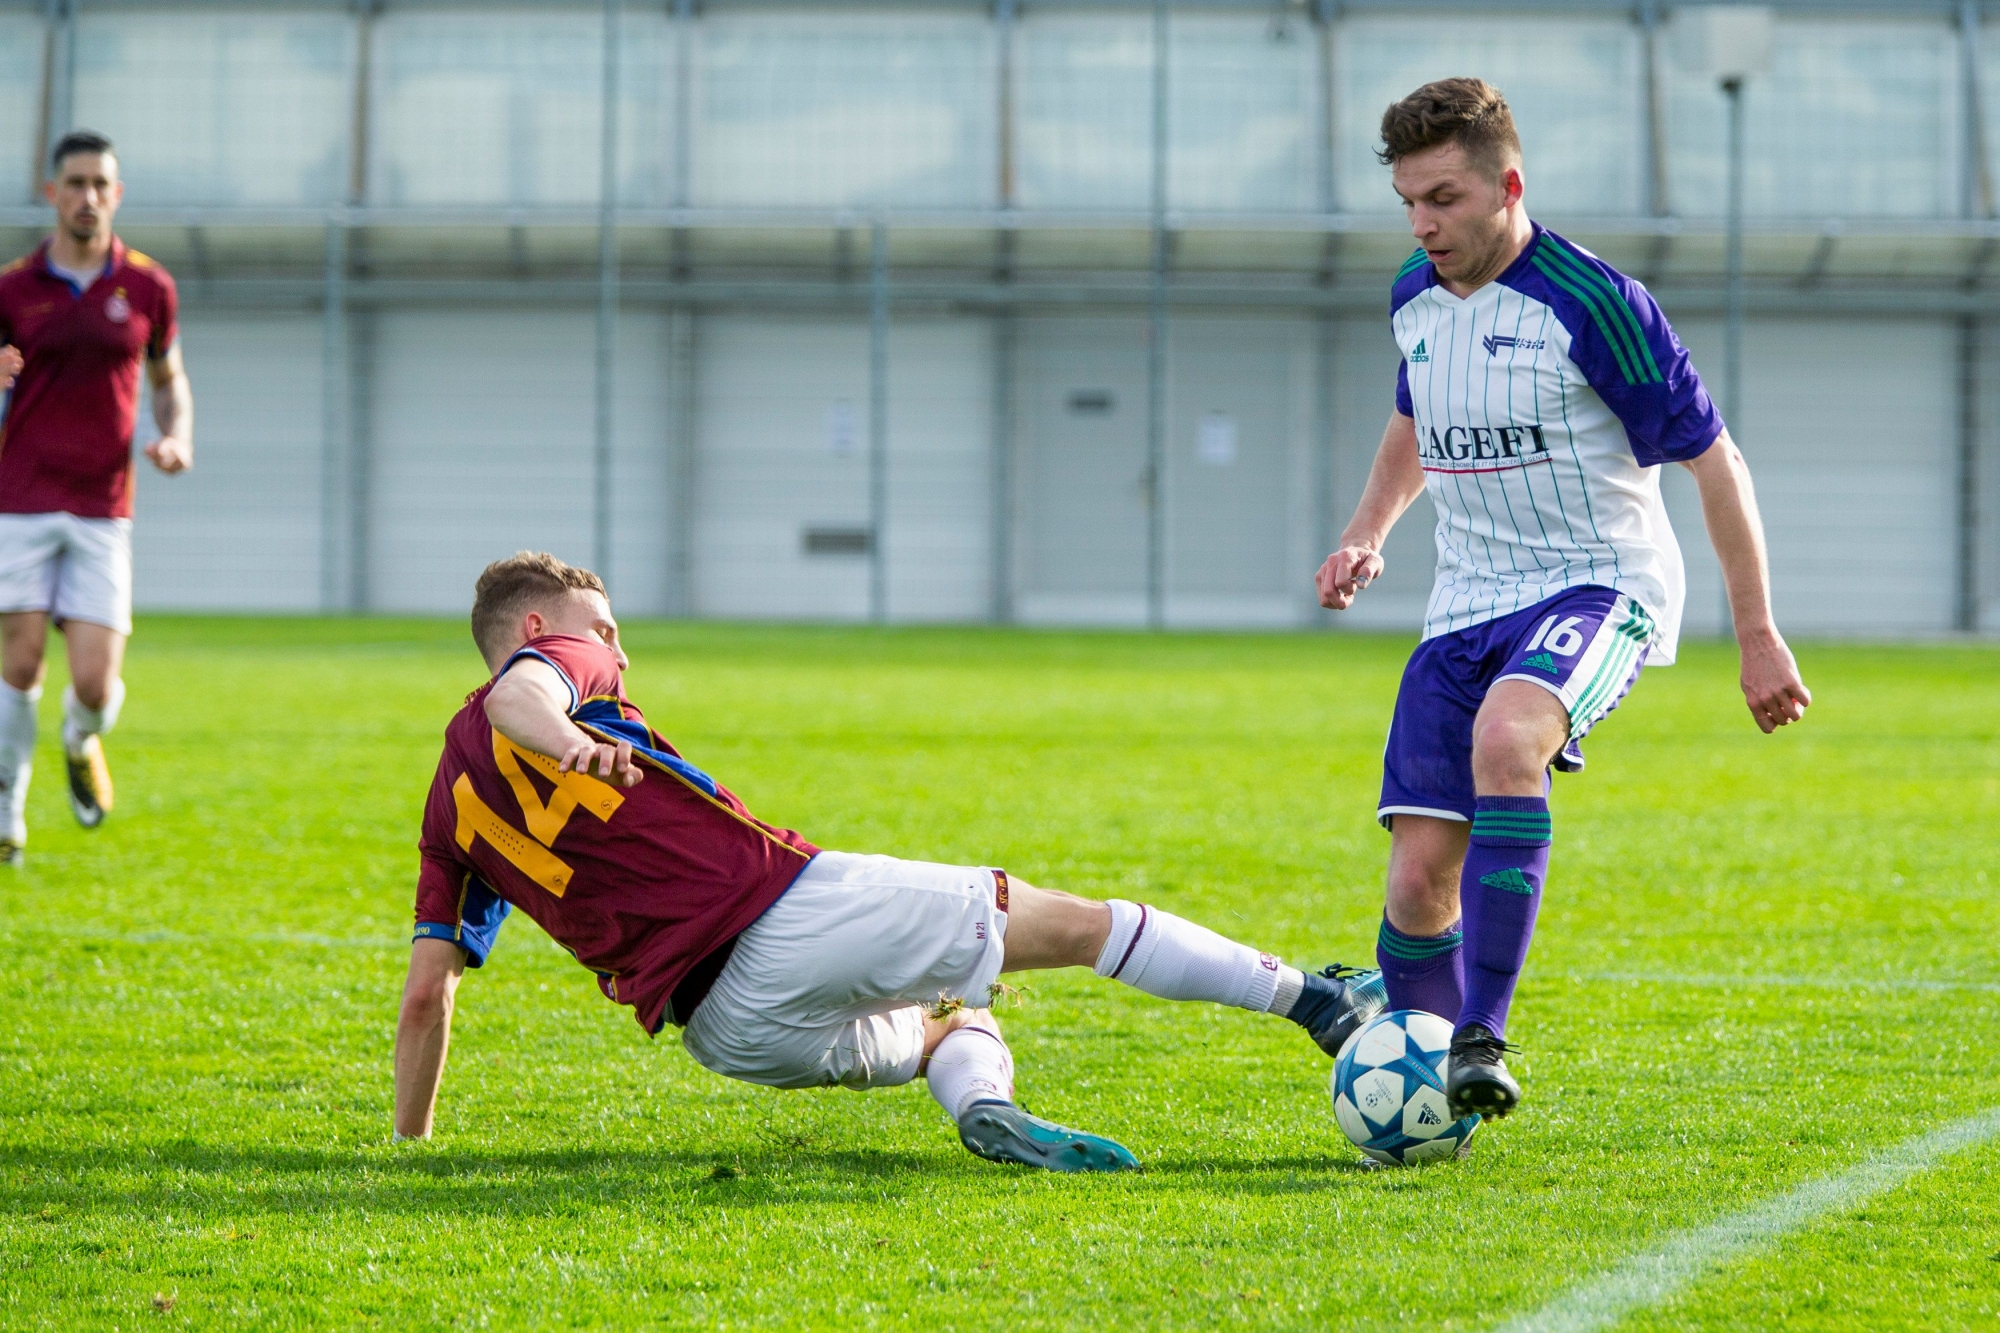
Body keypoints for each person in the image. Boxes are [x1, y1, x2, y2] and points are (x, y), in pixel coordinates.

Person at [392, 552, 1386, 1172]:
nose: (618, 647)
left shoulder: (449, 813)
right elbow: (520, 700)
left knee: (955, 1021)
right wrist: (565, 732)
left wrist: (411, 1147)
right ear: (537, 628)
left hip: (724, 1032)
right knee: (1079, 923)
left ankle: (988, 1111)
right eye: (605, 628)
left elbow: (427, 997)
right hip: (784, 914)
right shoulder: (563, 669)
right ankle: (1315, 1000)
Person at [1315, 79, 1810, 1123]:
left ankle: (1481, 1034)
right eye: (1408, 201)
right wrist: (1367, 532)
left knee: (1507, 741)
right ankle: (1428, 1091)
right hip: (1462, 603)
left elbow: (1713, 463)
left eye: (1443, 198)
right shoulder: (1412, 294)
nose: (1422, 223)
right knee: (1412, 885)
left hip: (1595, 582)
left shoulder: (1593, 303)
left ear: (1507, 184)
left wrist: (1755, 634)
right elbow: (1413, 421)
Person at [0, 130, 194, 860]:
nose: (87, 196)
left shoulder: (148, 286)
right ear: (52, 194)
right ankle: (7, 817)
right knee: (18, 666)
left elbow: (170, 383)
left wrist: (176, 438)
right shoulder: (12, 289)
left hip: (103, 508)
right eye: (74, 183)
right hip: (18, 502)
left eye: (100, 184)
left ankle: (80, 740)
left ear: (116, 194)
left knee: (92, 681)